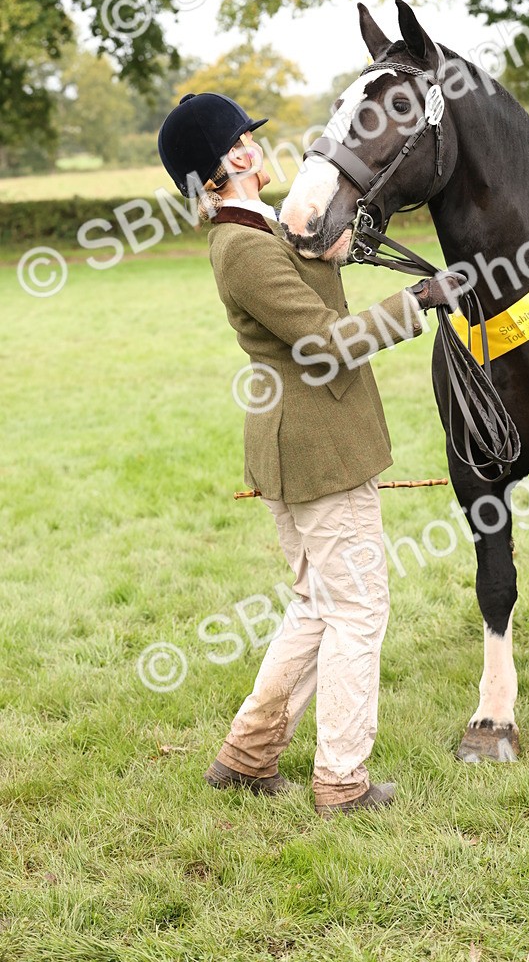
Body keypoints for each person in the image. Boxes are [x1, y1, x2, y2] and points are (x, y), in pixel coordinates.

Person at [158, 92, 460, 817]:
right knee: (359, 610)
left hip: (297, 445)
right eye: (241, 141)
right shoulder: (242, 249)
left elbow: (310, 301)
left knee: (319, 604)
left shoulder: (257, 232)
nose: (252, 147)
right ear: (225, 163)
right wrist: (418, 300)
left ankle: (249, 756)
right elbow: (324, 344)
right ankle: (342, 783)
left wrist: (330, 251)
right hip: (315, 449)